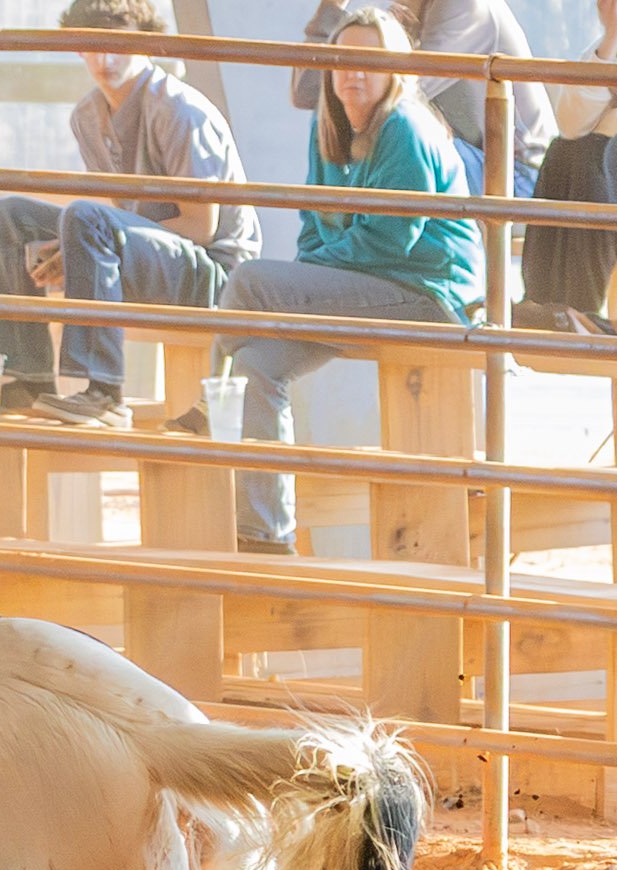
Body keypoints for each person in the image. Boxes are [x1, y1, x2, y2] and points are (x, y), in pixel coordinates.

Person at [177, 6, 483, 553]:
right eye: (342, 60)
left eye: (369, 61)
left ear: (395, 71)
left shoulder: (405, 127)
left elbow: (388, 243)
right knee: (256, 367)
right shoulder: (330, 128)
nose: (353, 73)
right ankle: (264, 533)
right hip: (369, 288)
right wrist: (308, 277)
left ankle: (208, 406)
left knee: (248, 280)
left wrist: (304, 280)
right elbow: (312, 231)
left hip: (427, 296)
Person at [0, 0, 260, 428]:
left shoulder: (179, 111)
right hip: (141, 254)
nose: (105, 59)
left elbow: (201, 227)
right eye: (92, 45)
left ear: (145, 43)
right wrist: (79, 248)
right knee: (10, 216)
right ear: (77, 47)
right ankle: (26, 375)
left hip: (213, 273)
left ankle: (105, 394)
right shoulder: (87, 116)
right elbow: (117, 216)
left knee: (86, 217)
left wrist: (87, 243)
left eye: (117, 45)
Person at [292, 0, 553, 198]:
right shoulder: (405, 11)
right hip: (467, 158)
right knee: (333, 122)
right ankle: (343, 245)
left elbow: (390, 102)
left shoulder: (464, 6)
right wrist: (332, 6)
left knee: (395, 134)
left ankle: (363, 249)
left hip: (517, 178)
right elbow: (310, 93)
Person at [520, 0, 617, 316]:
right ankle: (554, 305)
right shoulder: (606, 51)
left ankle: (573, 308)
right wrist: (610, 42)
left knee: (590, 155)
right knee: (569, 151)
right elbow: (570, 124)